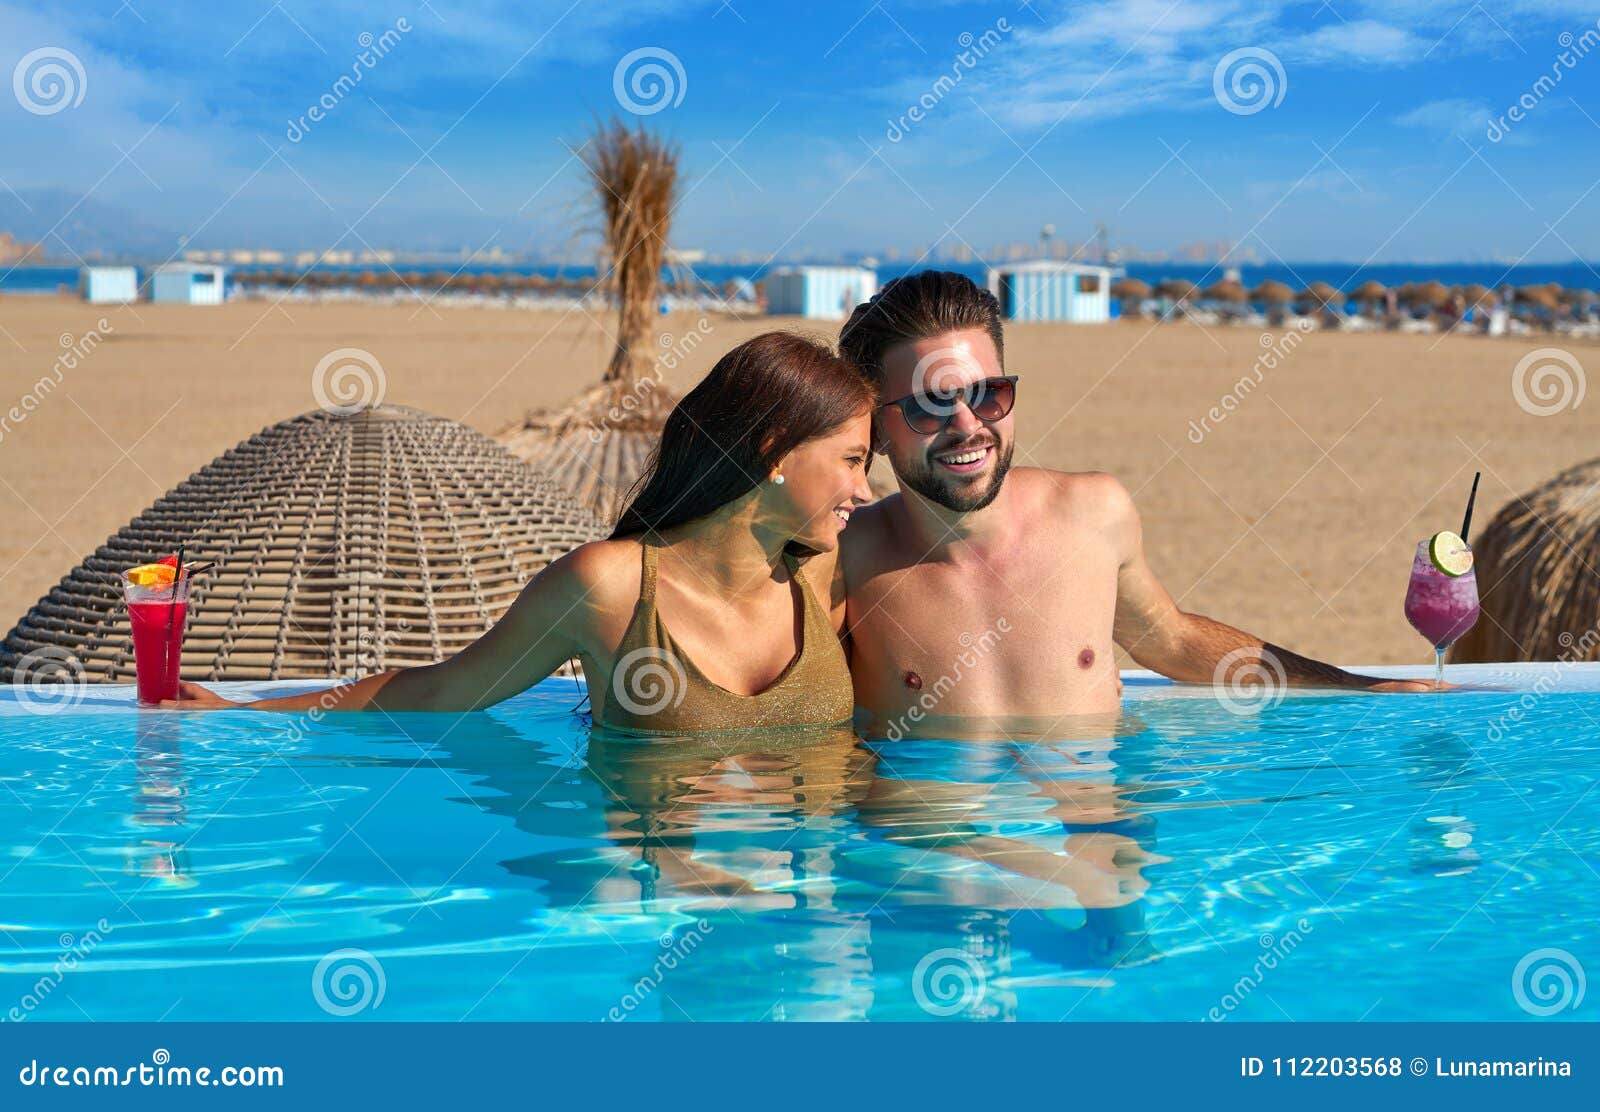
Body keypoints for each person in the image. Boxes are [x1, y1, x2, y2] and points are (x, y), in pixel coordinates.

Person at [163, 332, 875, 731]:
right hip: (656, 904)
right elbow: (439, 692)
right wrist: (242, 715)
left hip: (805, 914)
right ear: (776, 450)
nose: (865, 488)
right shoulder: (609, 588)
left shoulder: (830, 571)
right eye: (851, 461)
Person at [830, 270, 1433, 736]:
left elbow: (1170, 639)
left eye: (989, 394)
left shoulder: (1094, 514)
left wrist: (1355, 686)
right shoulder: (842, 558)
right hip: (929, 850)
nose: (968, 426)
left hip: (1093, 825)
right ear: (875, 429)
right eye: (930, 405)